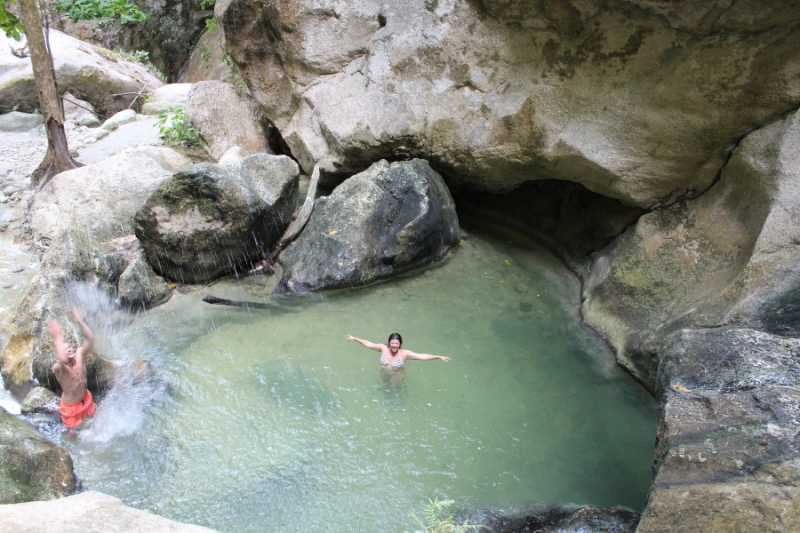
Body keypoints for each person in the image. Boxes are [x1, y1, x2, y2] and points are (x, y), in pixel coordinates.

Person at [48, 306, 96, 429]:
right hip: (71, 407)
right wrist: (57, 336)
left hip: (86, 399)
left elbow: (90, 339)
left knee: (96, 421)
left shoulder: (79, 355)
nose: (69, 349)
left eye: (69, 347)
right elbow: (62, 359)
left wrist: (80, 321)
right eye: (65, 349)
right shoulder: (60, 369)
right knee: (73, 434)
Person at [346, 333, 451, 369]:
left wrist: (438, 356)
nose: (394, 345)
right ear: (389, 343)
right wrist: (355, 338)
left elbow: (422, 356)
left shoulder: (405, 354)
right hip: (383, 373)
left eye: (396, 343)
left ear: (400, 344)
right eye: (392, 343)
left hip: (397, 377)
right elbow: (369, 344)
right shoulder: (383, 348)